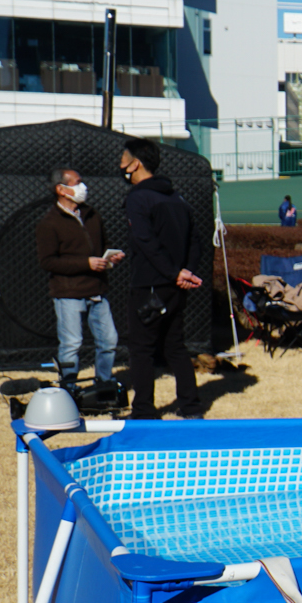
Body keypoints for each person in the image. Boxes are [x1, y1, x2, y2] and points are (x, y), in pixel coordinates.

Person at [119, 138, 206, 419]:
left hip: (149, 285)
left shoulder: (138, 198)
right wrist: (185, 273)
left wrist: (173, 272)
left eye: (123, 159)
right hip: (175, 287)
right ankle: (191, 406)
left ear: (136, 164)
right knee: (175, 346)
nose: (120, 165)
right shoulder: (177, 198)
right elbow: (196, 240)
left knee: (142, 349)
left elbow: (145, 240)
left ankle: (143, 410)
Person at [33, 166, 123, 391]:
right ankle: (69, 388)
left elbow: (101, 248)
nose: (83, 187)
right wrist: (86, 263)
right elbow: (48, 262)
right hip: (68, 293)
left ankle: (104, 384)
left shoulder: (92, 214)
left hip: (97, 290)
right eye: (76, 183)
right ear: (60, 189)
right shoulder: (49, 223)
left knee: (109, 342)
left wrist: (111, 258)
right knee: (72, 344)